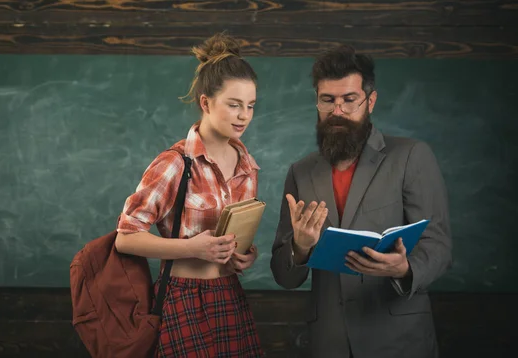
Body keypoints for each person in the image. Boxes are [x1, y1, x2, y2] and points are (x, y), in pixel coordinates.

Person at [270, 45, 452, 358]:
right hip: (329, 342)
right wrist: (299, 249)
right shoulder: (300, 172)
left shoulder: (411, 156)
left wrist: (405, 268)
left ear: (370, 101)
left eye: (349, 100)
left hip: (398, 340)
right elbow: (284, 275)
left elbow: (438, 246)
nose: (337, 111)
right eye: (328, 100)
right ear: (317, 101)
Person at [114, 32, 264, 357]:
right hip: (181, 297)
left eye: (250, 106)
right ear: (206, 103)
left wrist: (245, 256)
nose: (244, 116)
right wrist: (192, 248)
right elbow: (125, 238)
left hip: (229, 294)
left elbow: (235, 241)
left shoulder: (247, 167)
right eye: (234, 105)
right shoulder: (175, 163)